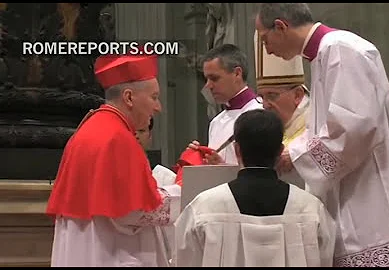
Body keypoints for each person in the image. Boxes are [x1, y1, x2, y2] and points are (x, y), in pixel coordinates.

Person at [255, 3, 389, 267]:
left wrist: (295, 156)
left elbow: (355, 127)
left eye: (265, 39)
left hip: (370, 194)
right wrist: (294, 152)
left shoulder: (341, 50)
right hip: (354, 185)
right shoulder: (325, 54)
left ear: (281, 26)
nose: (268, 49)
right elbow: (328, 127)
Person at [46, 52, 182, 267]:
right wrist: (182, 190)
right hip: (109, 254)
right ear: (129, 97)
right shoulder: (117, 138)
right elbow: (133, 211)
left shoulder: (92, 127)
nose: (158, 107)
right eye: (154, 97)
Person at [174, 109, 336, 267]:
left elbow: (184, 259)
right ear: (280, 151)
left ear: (237, 150)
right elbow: (326, 258)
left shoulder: (203, 207)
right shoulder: (310, 209)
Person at [182, 44, 263, 166]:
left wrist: (222, 166)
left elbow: (262, 170)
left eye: (214, 78)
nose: (208, 86)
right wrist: (200, 157)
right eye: (206, 79)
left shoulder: (261, 115)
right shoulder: (216, 122)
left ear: (237, 74)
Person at [254, 29, 310, 189]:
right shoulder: (270, 128)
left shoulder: (317, 121)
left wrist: (295, 156)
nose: (265, 105)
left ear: (298, 95)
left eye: (272, 96)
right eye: (262, 97)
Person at [135, 117, 179, 266]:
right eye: (131, 131)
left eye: (141, 131)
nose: (136, 136)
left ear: (150, 136)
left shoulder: (166, 177)